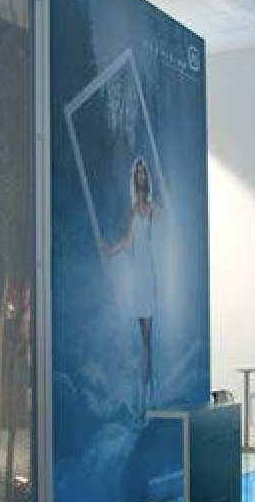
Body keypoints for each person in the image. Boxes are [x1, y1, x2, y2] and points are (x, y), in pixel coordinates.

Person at [105, 157, 160, 414]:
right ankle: (141, 391)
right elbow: (128, 241)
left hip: (149, 273)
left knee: (147, 338)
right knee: (140, 338)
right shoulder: (132, 209)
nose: (141, 177)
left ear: (147, 178)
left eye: (143, 173)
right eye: (137, 173)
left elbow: (159, 238)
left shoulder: (153, 208)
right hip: (138, 275)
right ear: (134, 178)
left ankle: (148, 392)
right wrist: (111, 250)